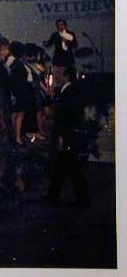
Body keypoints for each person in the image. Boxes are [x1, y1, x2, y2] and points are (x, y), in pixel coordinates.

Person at [45, 66, 90, 207]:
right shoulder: (68, 91)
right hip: (68, 134)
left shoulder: (68, 93)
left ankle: (81, 199)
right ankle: (53, 195)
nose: (56, 75)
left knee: (70, 167)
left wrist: (62, 136)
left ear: (66, 76)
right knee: (64, 167)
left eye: (59, 73)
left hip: (67, 135)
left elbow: (66, 117)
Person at [6, 41, 32, 146]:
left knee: (14, 114)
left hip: (15, 92)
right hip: (21, 92)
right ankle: (17, 137)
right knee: (19, 115)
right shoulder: (19, 64)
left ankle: (15, 136)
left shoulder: (12, 64)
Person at [44, 19, 78, 90]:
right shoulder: (55, 35)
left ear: (65, 26)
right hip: (58, 60)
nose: (60, 27)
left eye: (62, 25)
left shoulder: (70, 34)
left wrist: (67, 42)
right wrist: (46, 43)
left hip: (68, 59)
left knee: (69, 79)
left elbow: (75, 44)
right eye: (59, 25)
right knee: (58, 80)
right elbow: (49, 43)